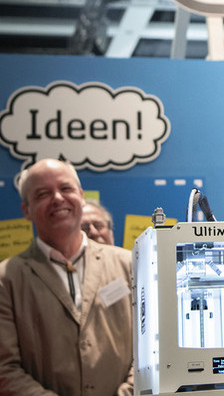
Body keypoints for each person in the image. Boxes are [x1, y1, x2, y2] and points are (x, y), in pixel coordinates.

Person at [0, 158, 133, 395]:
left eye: (66, 188)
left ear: (81, 195)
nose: (58, 198)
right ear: (26, 210)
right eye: (42, 194)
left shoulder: (129, 264)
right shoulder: (6, 279)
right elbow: (5, 369)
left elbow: (154, 348)